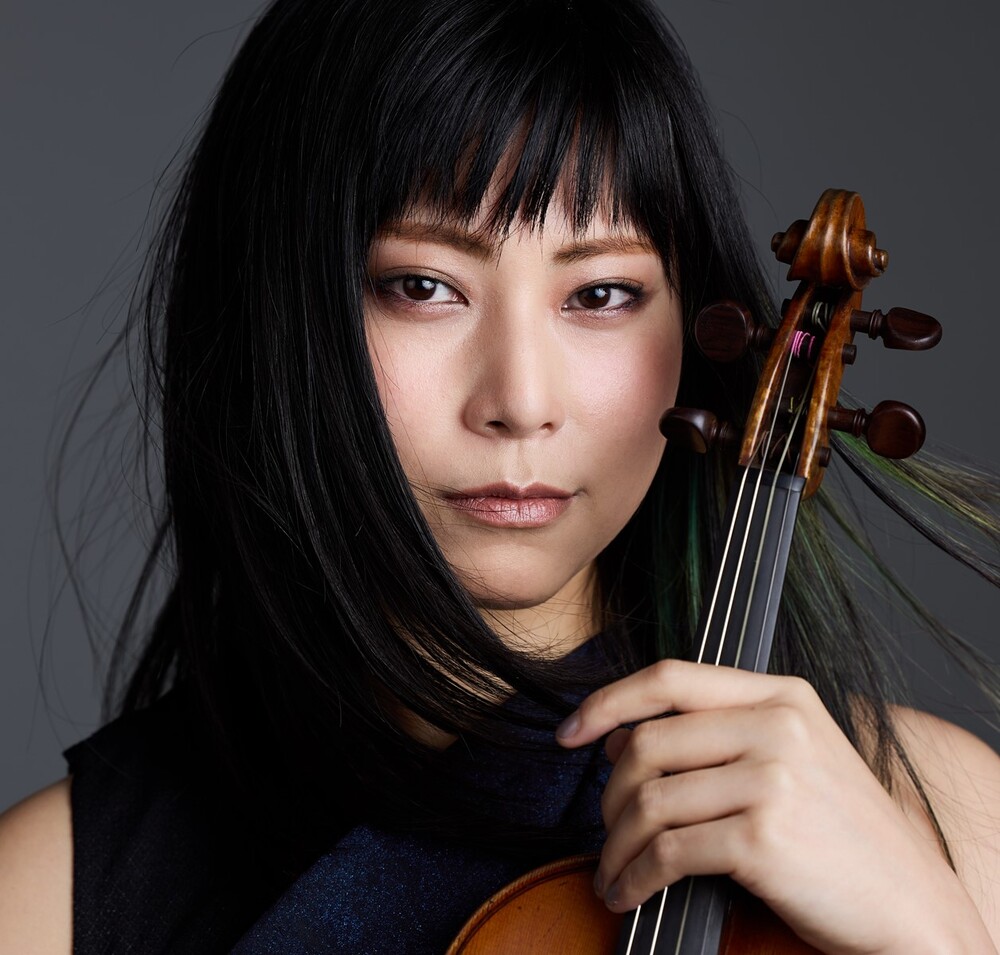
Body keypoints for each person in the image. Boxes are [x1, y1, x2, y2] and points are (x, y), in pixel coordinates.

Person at [1, 0, 998, 952]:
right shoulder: (50, 896)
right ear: (280, 316)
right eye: (422, 287)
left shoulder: (932, 815)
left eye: (600, 294)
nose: (521, 401)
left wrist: (934, 939)